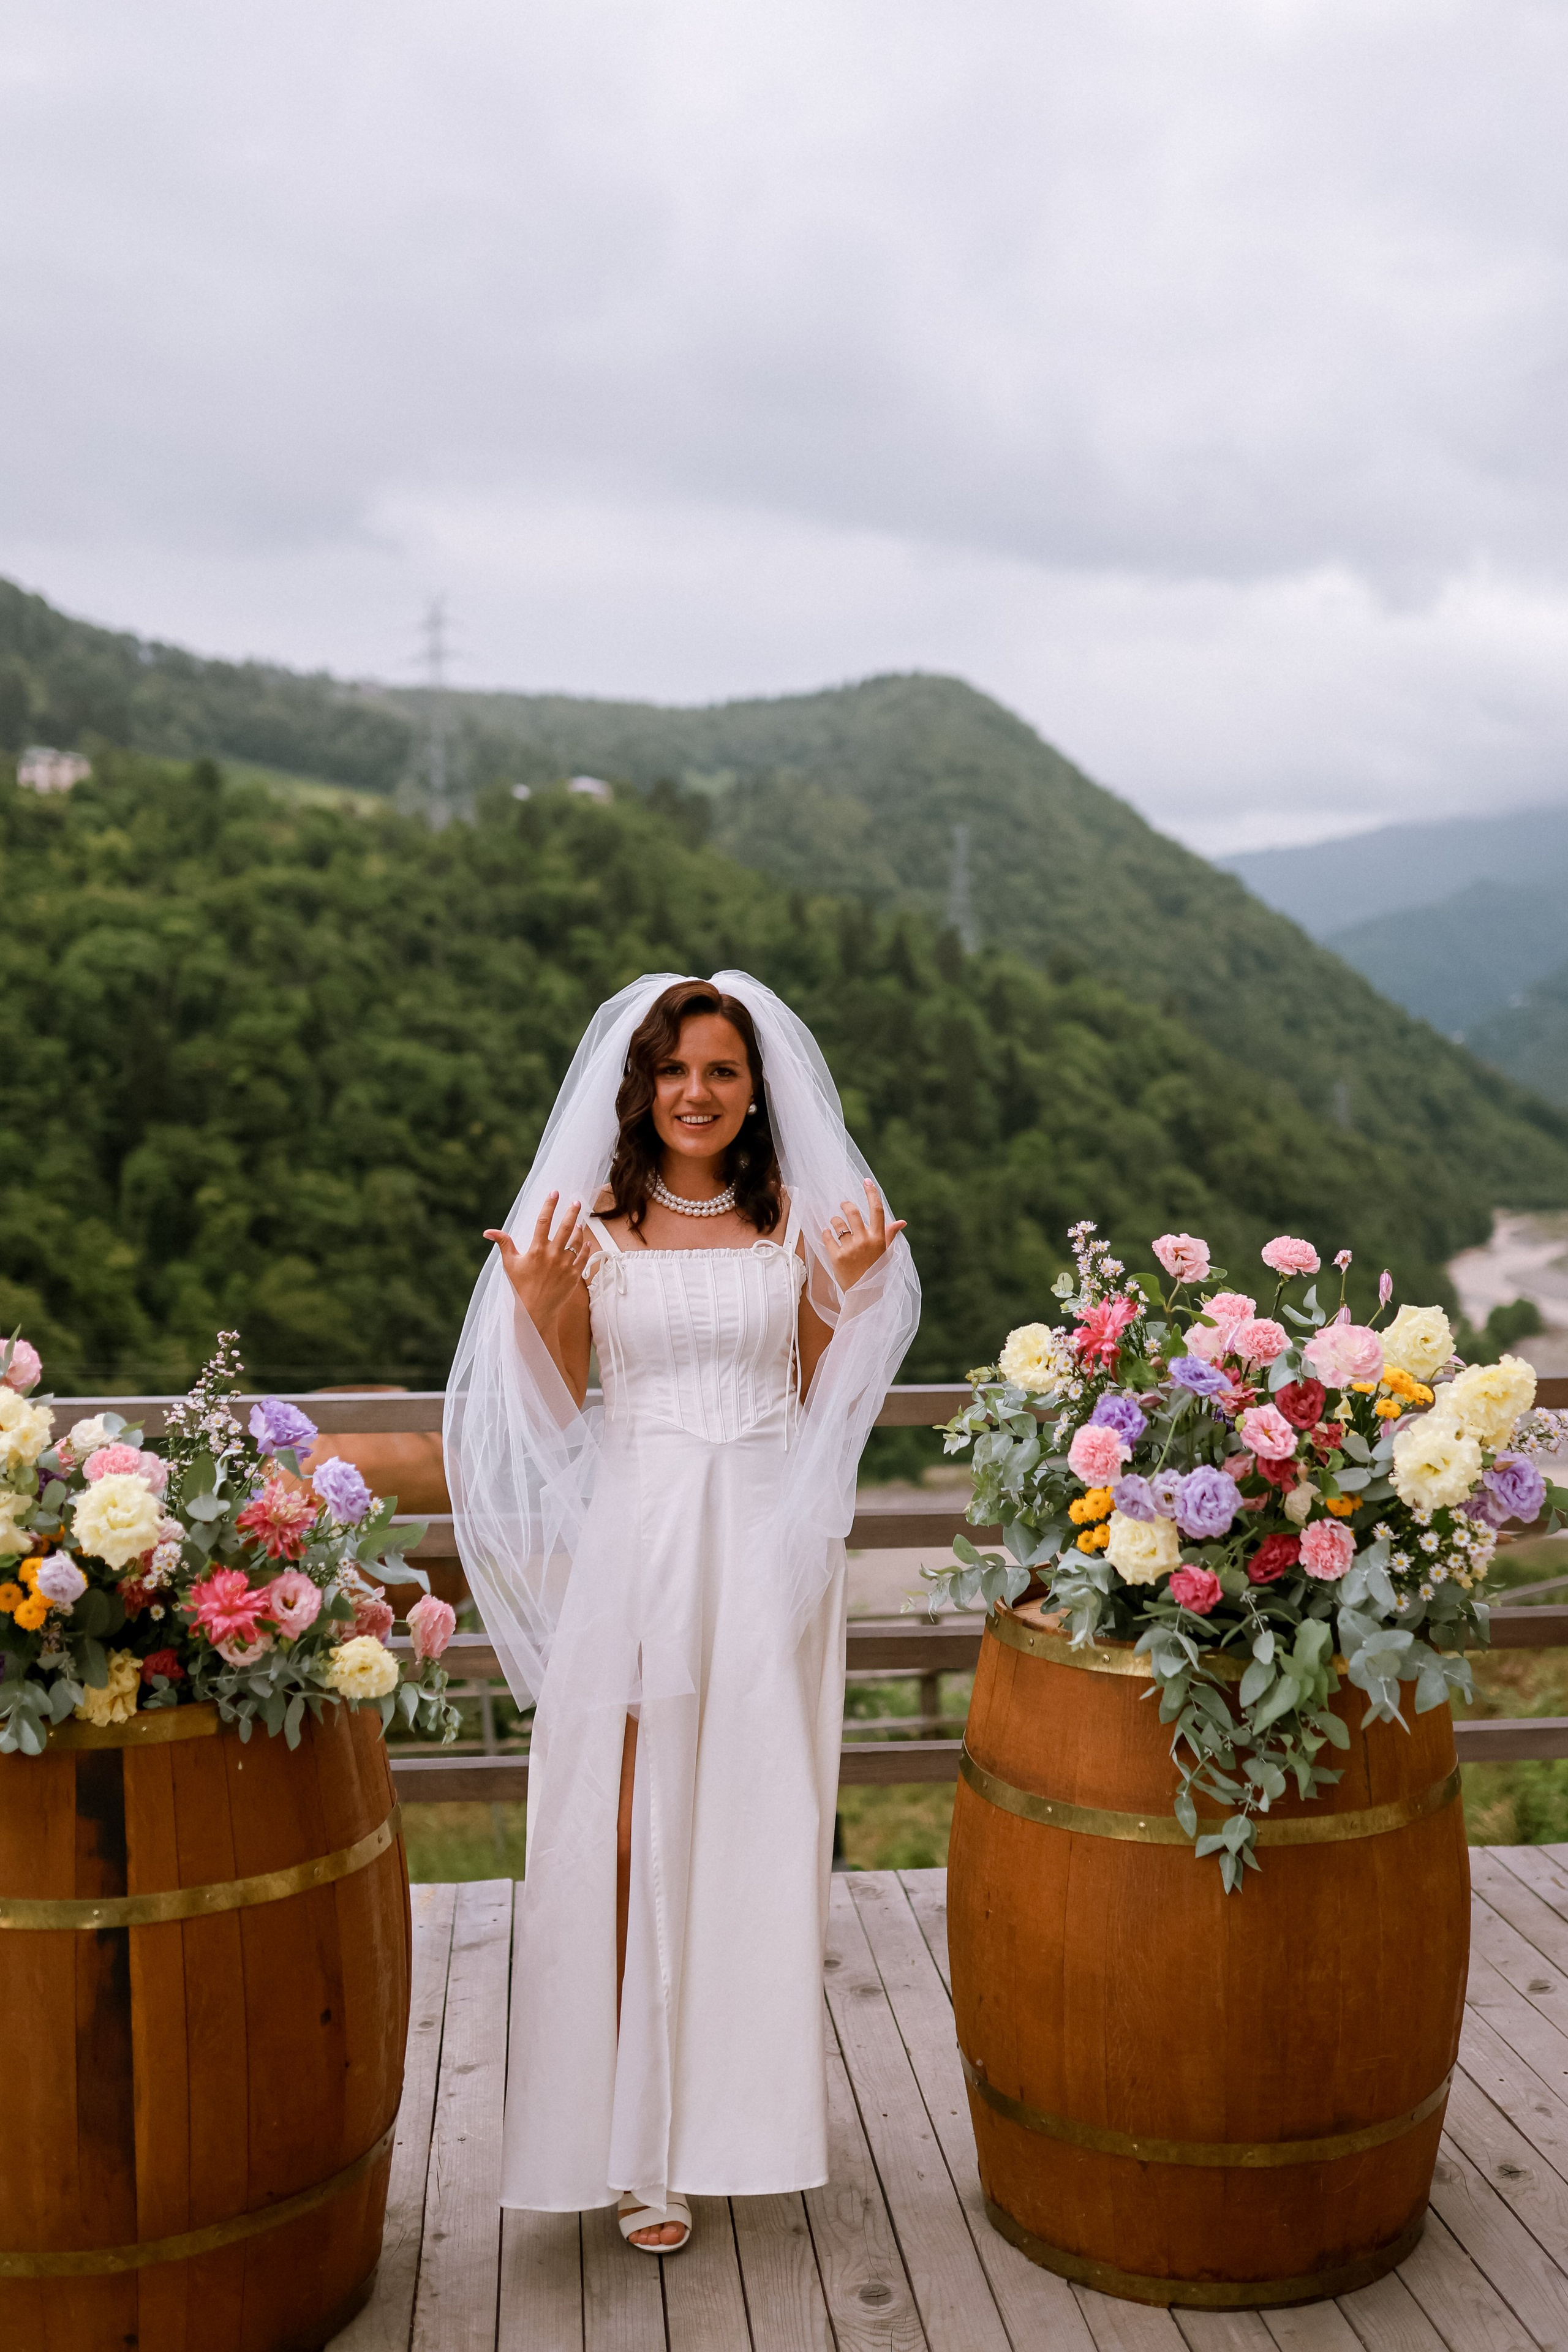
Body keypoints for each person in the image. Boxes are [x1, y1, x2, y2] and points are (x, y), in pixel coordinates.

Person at [444, 973, 919, 2253]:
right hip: (639, 1541)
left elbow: (820, 1402)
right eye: (672, 1072)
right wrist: (541, 1299)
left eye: (718, 1070)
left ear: (753, 1088)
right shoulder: (588, 1228)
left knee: (742, 1842)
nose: (695, 1094)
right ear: (638, 1089)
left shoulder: (792, 1231)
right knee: (610, 1840)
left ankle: (708, 2141)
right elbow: (549, 1409)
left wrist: (850, 1296)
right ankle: (618, 2140)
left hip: (762, 1550)